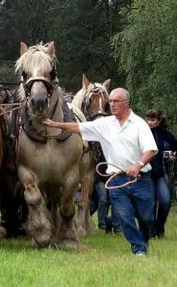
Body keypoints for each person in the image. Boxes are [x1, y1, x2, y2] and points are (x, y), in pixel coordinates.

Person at [44, 88, 157, 256]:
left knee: (146, 218)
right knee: (125, 217)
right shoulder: (105, 124)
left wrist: (138, 165)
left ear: (126, 103)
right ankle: (138, 248)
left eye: (115, 101)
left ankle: (143, 239)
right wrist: (56, 124)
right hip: (117, 179)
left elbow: (151, 150)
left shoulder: (139, 124)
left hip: (140, 179)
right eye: (110, 101)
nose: (111, 104)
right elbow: (79, 127)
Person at [145, 109, 177, 238]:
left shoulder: (166, 134)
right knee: (151, 202)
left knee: (165, 201)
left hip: (161, 173)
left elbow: (175, 148)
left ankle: (160, 227)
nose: (150, 123)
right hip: (147, 173)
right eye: (148, 120)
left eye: (153, 120)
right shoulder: (143, 133)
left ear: (159, 121)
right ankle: (152, 231)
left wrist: (173, 155)